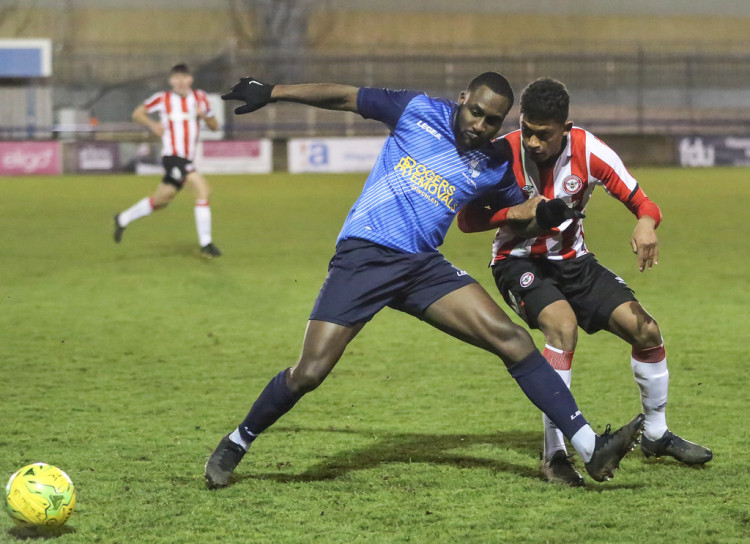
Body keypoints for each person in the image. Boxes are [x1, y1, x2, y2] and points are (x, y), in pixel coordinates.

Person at [204, 72, 645, 489]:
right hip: (365, 255)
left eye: (493, 121)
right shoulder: (415, 110)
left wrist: (544, 215)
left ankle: (590, 447)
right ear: (462, 100)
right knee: (310, 372)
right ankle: (236, 443)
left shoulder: (494, 163)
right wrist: (275, 92)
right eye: (476, 113)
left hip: (421, 267)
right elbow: (344, 97)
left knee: (513, 341)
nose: (481, 126)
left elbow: (512, 216)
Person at [456, 77, 712, 487]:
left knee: (645, 330)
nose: (534, 142)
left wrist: (646, 224)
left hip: (575, 261)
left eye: (544, 134)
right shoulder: (501, 152)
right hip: (517, 261)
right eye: (528, 130)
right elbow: (467, 219)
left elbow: (642, 202)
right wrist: (515, 215)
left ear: (565, 127)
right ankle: (554, 452)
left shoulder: (588, 150)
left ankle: (657, 435)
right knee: (562, 326)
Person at [113, 63, 222, 259]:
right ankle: (206, 244)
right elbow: (138, 113)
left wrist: (203, 115)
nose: (180, 82)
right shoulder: (162, 99)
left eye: (184, 78)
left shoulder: (200, 99)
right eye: (176, 79)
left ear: (190, 79)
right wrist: (152, 124)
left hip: (186, 158)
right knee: (203, 189)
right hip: (172, 157)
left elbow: (215, 126)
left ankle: (123, 218)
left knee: (162, 200)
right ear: (171, 81)